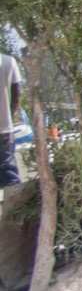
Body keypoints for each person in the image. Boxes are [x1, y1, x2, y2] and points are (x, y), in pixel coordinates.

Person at [0, 52, 23, 190]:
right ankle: (14, 208)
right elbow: (16, 95)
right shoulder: (9, 61)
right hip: (4, 128)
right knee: (9, 174)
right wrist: (9, 116)